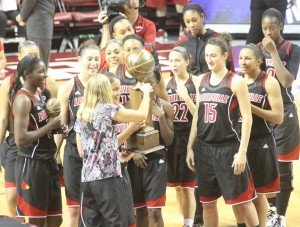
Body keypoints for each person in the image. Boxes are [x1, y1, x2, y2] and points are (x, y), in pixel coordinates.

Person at [186, 34, 259, 227]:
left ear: (225, 55)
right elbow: (198, 117)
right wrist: (189, 147)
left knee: (243, 202)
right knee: (208, 203)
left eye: (213, 55)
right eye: (207, 55)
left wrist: (242, 152)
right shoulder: (200, 80)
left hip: (229, 149)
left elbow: (248, 118)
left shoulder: (236, 82)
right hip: (204, 149)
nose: (209, 59)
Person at [74, 74, 153, 226]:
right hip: (107, 177)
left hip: (87, 178)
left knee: (91, 223)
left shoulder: (82, 111)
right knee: (115, 222)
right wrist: (147, 94)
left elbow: (82, 150)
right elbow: (141, 115)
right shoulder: (107, 109)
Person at [0, 40, 57, 219]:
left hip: (41, 150)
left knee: (51, 213)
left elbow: (52, 117)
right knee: (11, 196)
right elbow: (3, 119)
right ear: (20, 59)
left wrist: (57, 144)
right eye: (29, 56)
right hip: (17, 146)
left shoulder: (47, 85)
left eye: (36, 56)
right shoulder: (10, 85)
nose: (33, 59)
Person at [232, 43, 283, 227]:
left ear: (259, 60)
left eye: (248, 58)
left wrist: (249, 106)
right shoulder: (236, 81)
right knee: (237, 190)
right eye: (240, 58)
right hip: (237, 142)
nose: (243, 62)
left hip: (261, 141)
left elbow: (278, 117)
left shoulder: (268, 82)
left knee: (259, 192)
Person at [258, 8, 300, 227]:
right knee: (263, 168)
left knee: (283, 169)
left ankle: (281, 217)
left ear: (281, 26)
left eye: (272, 28)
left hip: (285, 115)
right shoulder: (256, 49)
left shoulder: (292, 49)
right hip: (264, 115)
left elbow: (286, 81)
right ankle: (272, 211)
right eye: (264, 28)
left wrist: (273, 53)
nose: (267, 33)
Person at [13, 56, 63, 227]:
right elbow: (20, 139)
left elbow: (40, 127)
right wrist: (50, 126)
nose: (45, 75)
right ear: (28, 74)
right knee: (37, 221)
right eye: (41, 72)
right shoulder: (22, 100)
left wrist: (56, 128)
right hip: (32, 164)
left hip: (48, 161)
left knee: (56, 219)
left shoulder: (40, 94)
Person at [57, 39, 100, 227]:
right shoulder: (68, 88)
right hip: (75, 151)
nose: (94, 63)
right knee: (73, 206)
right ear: (79, 60)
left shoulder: (104, 85)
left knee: (98, 204)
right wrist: (56, 151)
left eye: (97, 59)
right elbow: (61, 124)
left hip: (100, 151)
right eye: (89, 59)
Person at [165, 46, 197, 227]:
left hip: (190, 139)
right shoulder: (166, 84)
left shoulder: (196, 83)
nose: (174, 64)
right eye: (171, 60)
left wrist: (185, 98)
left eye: (178, 60)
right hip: (172, 141)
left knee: (188, 188)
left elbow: (199, 114)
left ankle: (189, 222)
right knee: (177, 186)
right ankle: (184, 218)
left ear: (187, 61)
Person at [175, 3, 220, 76]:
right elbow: (176, 75)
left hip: (215, 86)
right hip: (190, 86)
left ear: (202, 17)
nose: (191, 25)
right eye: (187, 22)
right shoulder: (180, 45)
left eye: (194, 20)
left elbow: (229, 69)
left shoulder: (219, 40)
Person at [16, 0, 55, 69]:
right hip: (42, 19)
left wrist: (22, 17)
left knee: (38, 63)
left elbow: (29, 1)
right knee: (40, 62)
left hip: (39, 21)